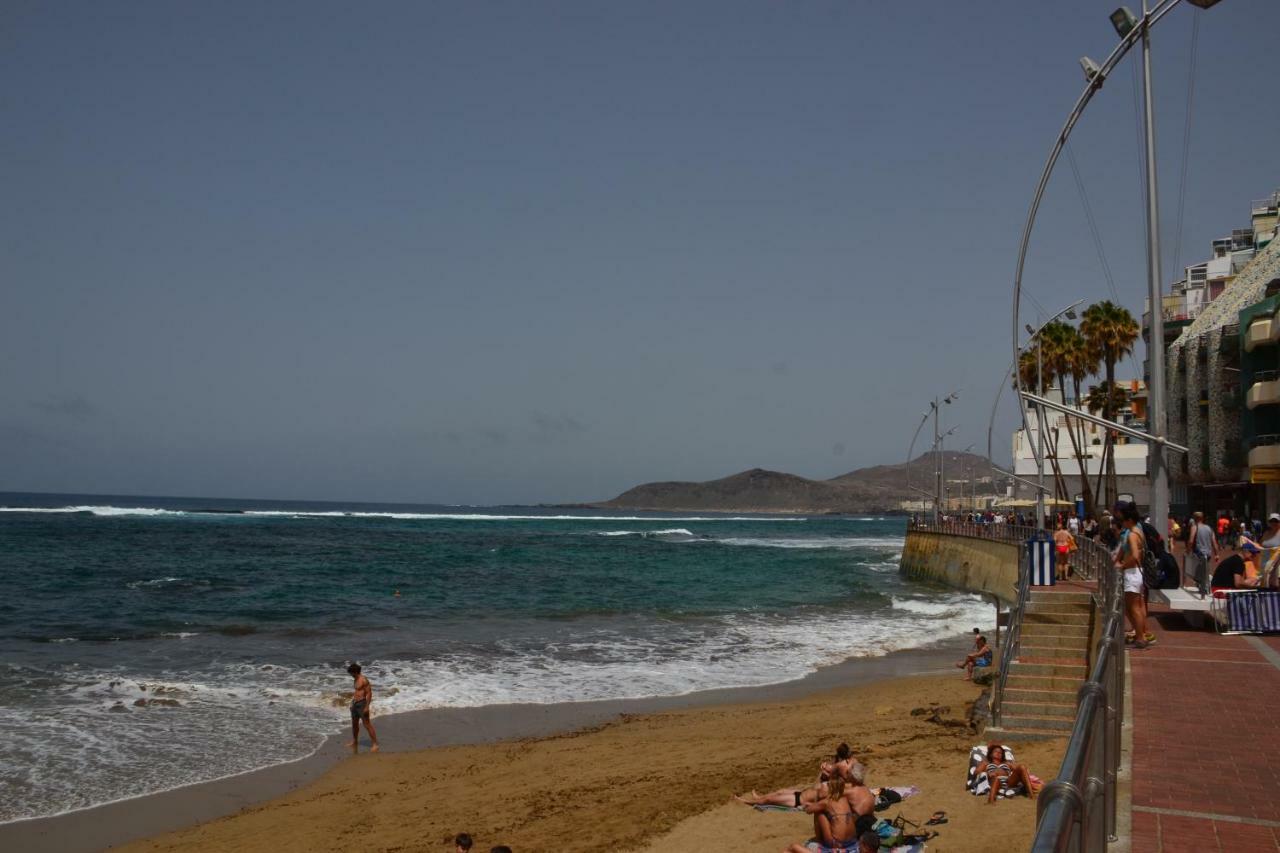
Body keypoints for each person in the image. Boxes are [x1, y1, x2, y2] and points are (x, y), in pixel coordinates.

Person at [1116, 506, 1151, 650]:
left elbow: (1135, 555)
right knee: (1139, 605)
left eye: (1123, 520)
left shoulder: (1131, 534)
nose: (1121, 523)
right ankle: (1141, 633)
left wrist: (1122, 565)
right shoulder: (1139, 531)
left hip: (1132, 572)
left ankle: (1140, 638)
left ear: (1129, 520)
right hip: (1139, 572)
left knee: (1132, 607)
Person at [346, 662, 379, 752]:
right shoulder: (355, 679)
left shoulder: (363, 680)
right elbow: (357, 692)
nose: (350, 675)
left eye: (351, 673)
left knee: (367, 724)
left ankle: (375, 744)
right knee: (354, 724)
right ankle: (355, 741)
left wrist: (367, 706)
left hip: (362, 704)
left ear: (355, 672)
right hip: (355, 704)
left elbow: (369, 693)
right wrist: (352, 702)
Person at [1187, 512, 1218, 598]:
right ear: (1202, 518)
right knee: (1205, 571)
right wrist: (1216, 554)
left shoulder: (1194, 527)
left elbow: (1191, 540)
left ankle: (1202, 588)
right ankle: (1204, 588)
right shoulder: (1209, 528)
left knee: (1197, 572)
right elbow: (1214, 542)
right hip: (1207, 554)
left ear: (1194, 518)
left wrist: (1188, 551)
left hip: (1198, 553)